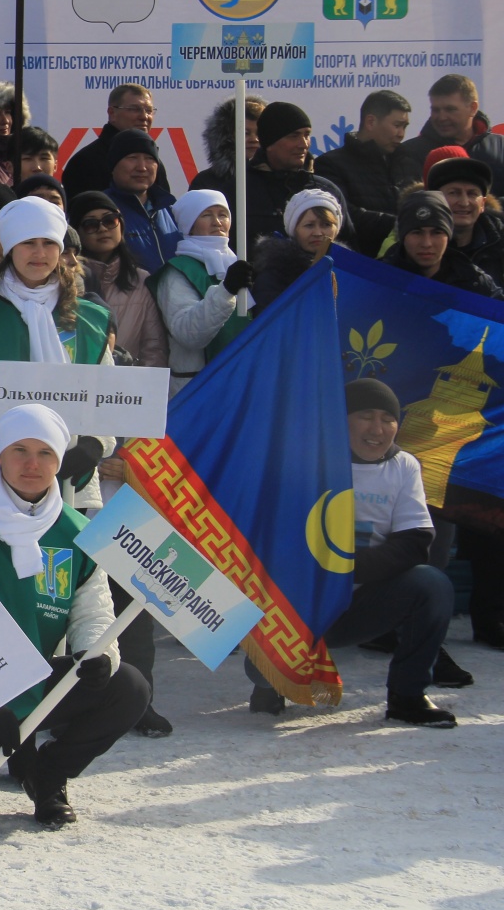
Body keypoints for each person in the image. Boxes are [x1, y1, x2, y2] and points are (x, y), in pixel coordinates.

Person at [0, 404, 150, 826]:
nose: (32, 464)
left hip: (34, 672)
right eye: (19, 450)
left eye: (45, 453)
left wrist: (96, 653)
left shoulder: (76, 530)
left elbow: (93, 607)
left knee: (129, 689)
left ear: (59, 461)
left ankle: (48, 774)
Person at [246, 381, 462, 726]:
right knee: (259, 670)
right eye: (365, 417)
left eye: (388, 419)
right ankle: (271, 683)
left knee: (432, 584)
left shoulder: (404, 466)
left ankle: (408, 696)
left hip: (365, 598)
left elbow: (415, 542)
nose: (377, 429)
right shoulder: (306, 459)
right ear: (341, 419)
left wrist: (344, 571)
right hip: (303, 602)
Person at [0, 197, 113, 494]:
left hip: (70, 483)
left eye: (49, 243)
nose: (39, 253)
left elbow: (111, 398)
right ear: (10, 248)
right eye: (28, 243)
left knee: (61, 543)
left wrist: (96, 443)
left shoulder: (88, 319)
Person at [148, 190, 253, 395]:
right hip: (199, 389)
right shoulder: (177, 272)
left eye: (222, 214)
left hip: (239, 383)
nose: (217, 222)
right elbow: (188, 333)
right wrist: (226, 291)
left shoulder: (236, 264)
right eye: (206, 215)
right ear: (190, 224)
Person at [228, 103, 353, 251]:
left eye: (307, 135)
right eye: (294, 136)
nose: (304, 144)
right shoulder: (238, 189)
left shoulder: (326, 190)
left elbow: (349, 248)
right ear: (270, 142)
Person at [69, 191, 167, 369]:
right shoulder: (68, 280)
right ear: (77, 233)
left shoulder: (142, 279)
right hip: (76, 384)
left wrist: (141, 390)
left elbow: (153, 347)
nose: (103, 229)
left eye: (110, 220)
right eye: (91, 224)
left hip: (128, 388)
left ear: (121, 224)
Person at [314, 90, 414, 253]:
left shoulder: (408, 163)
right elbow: (341, 216)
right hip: (356, 267)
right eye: (397, 126)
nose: (401, 134)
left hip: (405, 268)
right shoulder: (330, 164)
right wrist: (401, 224)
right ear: (370, 122)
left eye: (404, 127)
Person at [383, 191, 503, 297]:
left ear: (448, 235)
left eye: (437, 232)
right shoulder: (378, 278)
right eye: (417, 233)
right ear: (403, 237)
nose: (427, 243)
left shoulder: (476, 283)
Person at [62, 84, 171, 198]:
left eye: (149, 110)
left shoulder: (154, 162)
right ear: (112, 113)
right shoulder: (84, 162)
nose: (144, 117)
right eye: (134, 109)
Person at [251, 189, 343, 312]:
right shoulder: (275, 273)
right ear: (294, 230)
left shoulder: (349, 270)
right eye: (309, 225)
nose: (318, 233)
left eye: (326, 224)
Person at [101, 129, 180, 271]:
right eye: (132, 158)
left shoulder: (172, 209)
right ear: (113, 166)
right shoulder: (100, 209)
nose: (142, 167)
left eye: (149, 159)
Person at [426, 151, 502, 284]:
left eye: (472, 194)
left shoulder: (499, 244)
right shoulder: (414, 244)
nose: (464, 202)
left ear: (483, 204)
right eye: (454, 193)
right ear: (434, 198)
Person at [398, 74, 491, 174]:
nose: (442, 117)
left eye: (450, 109)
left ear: (473, 108)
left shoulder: (499, 147)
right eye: (436, 110)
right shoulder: (410, 152)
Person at [190, 95, 265, 196]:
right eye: (245, 133)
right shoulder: (206, 182)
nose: (254, 139)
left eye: (259, 133)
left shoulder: (278, 180)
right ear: (226, 136)